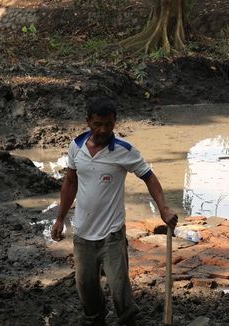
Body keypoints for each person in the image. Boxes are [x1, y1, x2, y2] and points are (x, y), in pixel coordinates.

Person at [51, 97, 178, 326]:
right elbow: (70, 183)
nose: (103, 130)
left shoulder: (124, 150)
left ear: (115, 122)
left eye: (109, 124)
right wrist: (60, 218)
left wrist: (164, 209)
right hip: (82, 234)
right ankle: (95, 319)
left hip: (112, 234)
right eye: (98, 124)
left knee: (120, 288)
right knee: (87, 289)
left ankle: (127, 320)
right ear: (88, 121)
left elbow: (149, 177)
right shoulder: (76, 146)